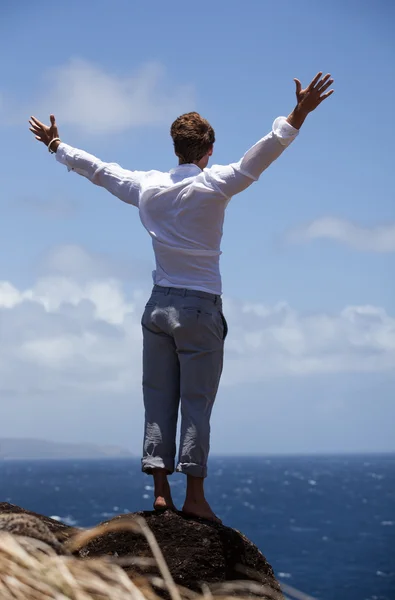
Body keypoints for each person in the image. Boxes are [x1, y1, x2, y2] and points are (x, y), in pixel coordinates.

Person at [29, 72, 334, 523]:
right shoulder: (214, 185)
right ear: (208, 152)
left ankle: (159, 492)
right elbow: (261, 155)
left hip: (158, 307)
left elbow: (99, 171)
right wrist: (299, 114)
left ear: (176, 148)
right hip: (199, 307)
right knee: (196, 402)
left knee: (157, 397)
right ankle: (193, 498)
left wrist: (57, 147)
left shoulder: (148, 187)